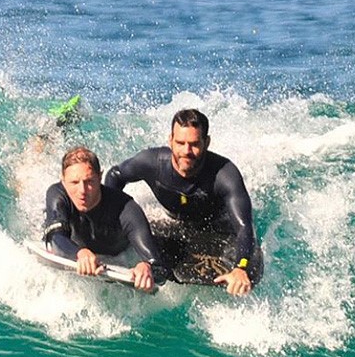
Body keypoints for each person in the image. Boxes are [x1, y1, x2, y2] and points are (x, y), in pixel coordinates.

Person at [104, 109, 259, 296]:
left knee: (249, 275)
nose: (186, 151)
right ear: (170, 140)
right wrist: (109, 218)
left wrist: (240, 267)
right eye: (180, 143)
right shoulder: (152, 162)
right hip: (173, 226)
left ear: (206, 142)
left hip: (216, 232)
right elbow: (116, 174)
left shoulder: (225, 174)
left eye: (194, 144)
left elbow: (244, 227)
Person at [43, 146, 165, 292]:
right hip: (81, 249)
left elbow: (159, 267)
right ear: (63, 181)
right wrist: (79, 253)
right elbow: (56, 238)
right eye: (74, 183)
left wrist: (146, 267)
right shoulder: (57, 194)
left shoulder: (126, 210)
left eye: (89, 182)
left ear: (100, 177)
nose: (82, 191)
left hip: (120, 254)